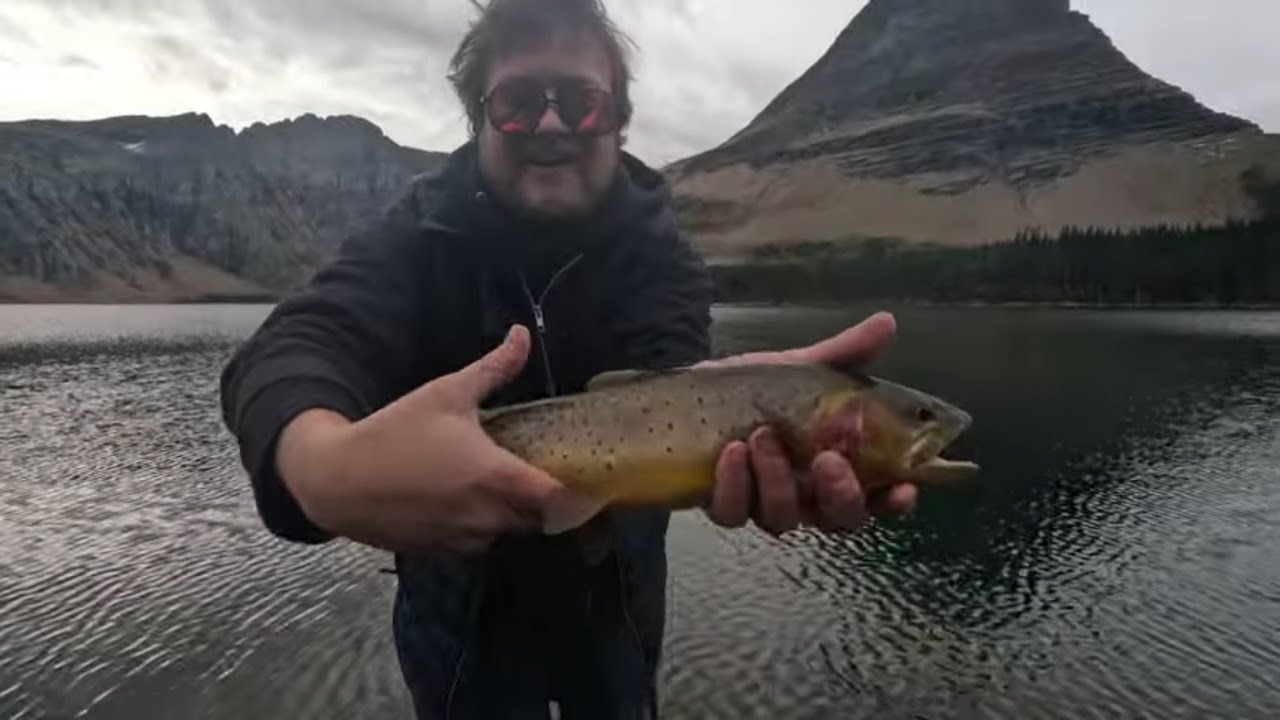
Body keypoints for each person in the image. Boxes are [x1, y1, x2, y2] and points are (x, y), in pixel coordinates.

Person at [218, 0, 917, 717]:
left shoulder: (661, 257)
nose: (550, 125)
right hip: (458, 610)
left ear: (617, 118)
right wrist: (325, 469)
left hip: (615, 599)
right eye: (519, 102)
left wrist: (761, 409)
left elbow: (674, 383)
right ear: (479, 119)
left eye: (581, 102)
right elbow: (292, 347)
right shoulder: (415, 237)